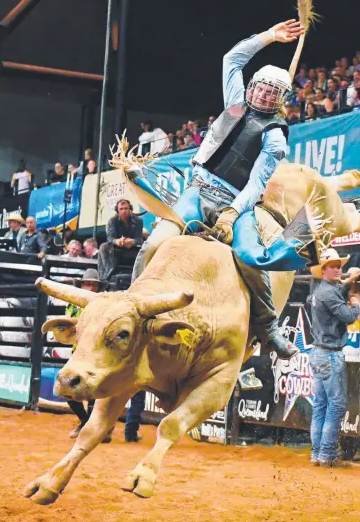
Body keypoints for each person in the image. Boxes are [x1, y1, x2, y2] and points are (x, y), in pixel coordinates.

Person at [131, 19, 319, 360]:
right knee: (153, 245)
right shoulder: (235, 101)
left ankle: (269, 327)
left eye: (271, 92)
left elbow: (257, 182)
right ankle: (131, 303)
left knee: (252, 260)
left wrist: (233, 213)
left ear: (279, 99)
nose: (263, 94)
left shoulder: (275, 137)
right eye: (260, 87)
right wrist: (268, 38)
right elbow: (231, 60)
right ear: (252, 87)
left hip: (236, 203)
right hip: (197, 192)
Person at [308, 248, 360, 468]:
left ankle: (317, 453)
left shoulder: (321, 290)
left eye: (339, 266)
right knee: (336, 404)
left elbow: (336, 291)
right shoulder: (328, 293)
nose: (338, 269)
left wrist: (349, 280)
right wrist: (356, 301)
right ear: (324, 270)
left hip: (319, 352)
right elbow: (349, 316)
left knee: (321, 404)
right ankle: (327, 453)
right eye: (334, 266)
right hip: (329, 354)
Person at [64, 269, 111, 441]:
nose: (90, 288)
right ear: (81, 285)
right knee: (66, 389)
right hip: (77, 354)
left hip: (98, 356)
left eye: (94, 285)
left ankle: (98, 429)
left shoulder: (105, 306)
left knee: (96, 391)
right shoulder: (71, 305)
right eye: (87, 284)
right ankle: (85, 422)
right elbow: (67, 328)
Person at [98, 199, 144, 281]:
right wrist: (117, 241)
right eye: (121, 209)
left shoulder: (138, 220)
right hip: (117, 247)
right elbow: (110, 238)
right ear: (117, 210)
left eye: (126, 208)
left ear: (130, 209)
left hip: (133, 248)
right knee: (103, 247)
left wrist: (132, 241)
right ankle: (107, 275)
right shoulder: (113, 220)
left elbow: (139, 239)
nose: (124, 211)